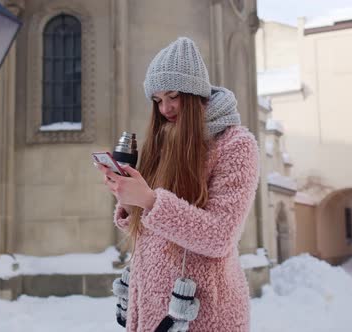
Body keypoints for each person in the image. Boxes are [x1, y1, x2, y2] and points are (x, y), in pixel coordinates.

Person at [94, 37, 259, 332]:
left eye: (173, 96)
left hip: (202, 312)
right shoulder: (162, 140)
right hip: (151, 307)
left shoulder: (235, 144)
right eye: (157, 100)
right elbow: (150, 232)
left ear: (194, 93)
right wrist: (128, 198)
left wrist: (149, 201)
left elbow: (220, 236)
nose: (165, 108)